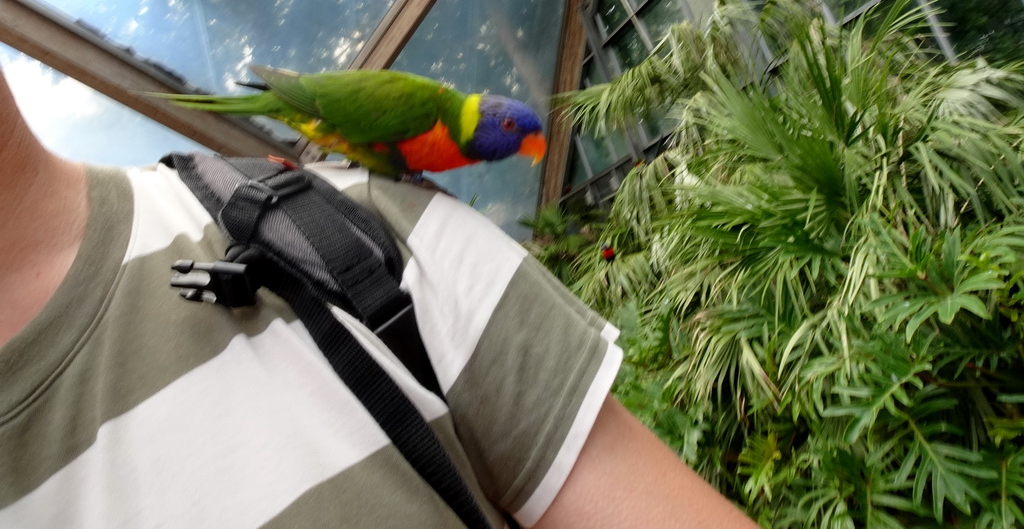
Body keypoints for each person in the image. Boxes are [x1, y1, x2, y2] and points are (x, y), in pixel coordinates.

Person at [0, 69, 757, 528]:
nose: (520, 141)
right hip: (324, 113)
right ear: (482, 121)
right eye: (512, 129)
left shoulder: (423, 238)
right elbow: (343, 123)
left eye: (523, 135)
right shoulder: (418, 109)